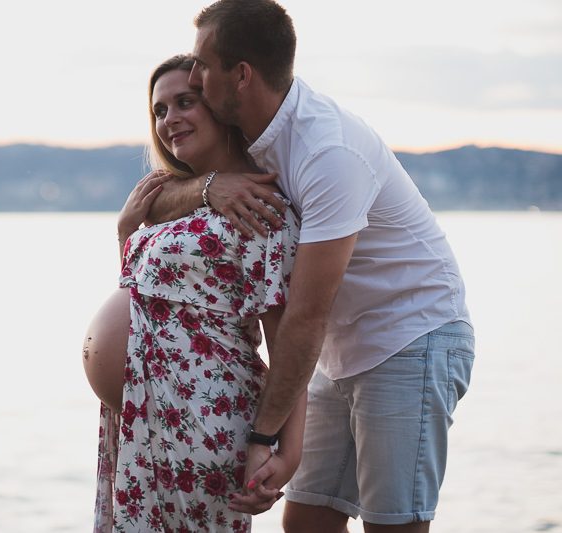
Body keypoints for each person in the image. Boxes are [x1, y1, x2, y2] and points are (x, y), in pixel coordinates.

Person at [144, 2, 475, 532]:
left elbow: (304, 316)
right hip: (341, 350)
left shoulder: (327, 152)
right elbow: (151, 200)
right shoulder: (250, 137)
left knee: (392, 526)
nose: (196, 78)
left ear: (242, 75)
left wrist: (262, 437)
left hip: (410, 336)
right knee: (305, 525)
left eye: (204, 68)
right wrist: (208, 187)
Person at [82, 54, 306, 532]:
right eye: (159, 110)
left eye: (185, 102)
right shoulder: (167, 203)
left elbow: (288, 340)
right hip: (139, 414)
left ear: (221, 106)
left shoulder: (259, 208)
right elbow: (147, 296)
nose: (169, 120)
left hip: (202, 414)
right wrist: (126, 233)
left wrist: (287, 450)